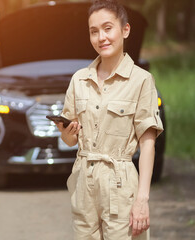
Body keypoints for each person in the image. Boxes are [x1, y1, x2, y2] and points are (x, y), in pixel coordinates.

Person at [56, 0, 164, 239]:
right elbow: (69, 141)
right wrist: (67, 133)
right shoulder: (79, 79)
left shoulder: (141, 80)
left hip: (120, 184)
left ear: (125, 30)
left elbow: (148, 145)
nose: (101, 37)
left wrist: (142, 200)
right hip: (84, 182)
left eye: (107, 28)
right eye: (94, 31)